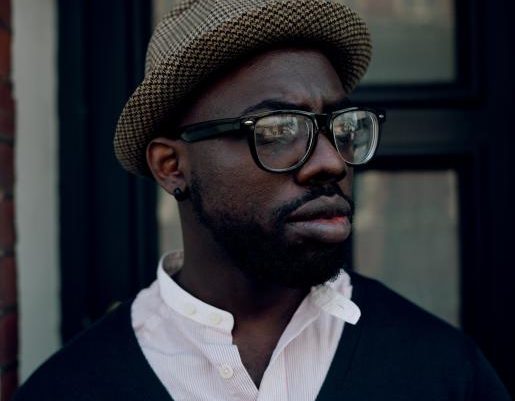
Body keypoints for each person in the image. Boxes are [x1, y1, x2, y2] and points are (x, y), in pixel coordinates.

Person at [15, 0, 512, 400]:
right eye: (277, 130)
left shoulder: (443, 372)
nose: (331, 163)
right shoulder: (71, 388)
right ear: (171, 166)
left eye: (341, 127)